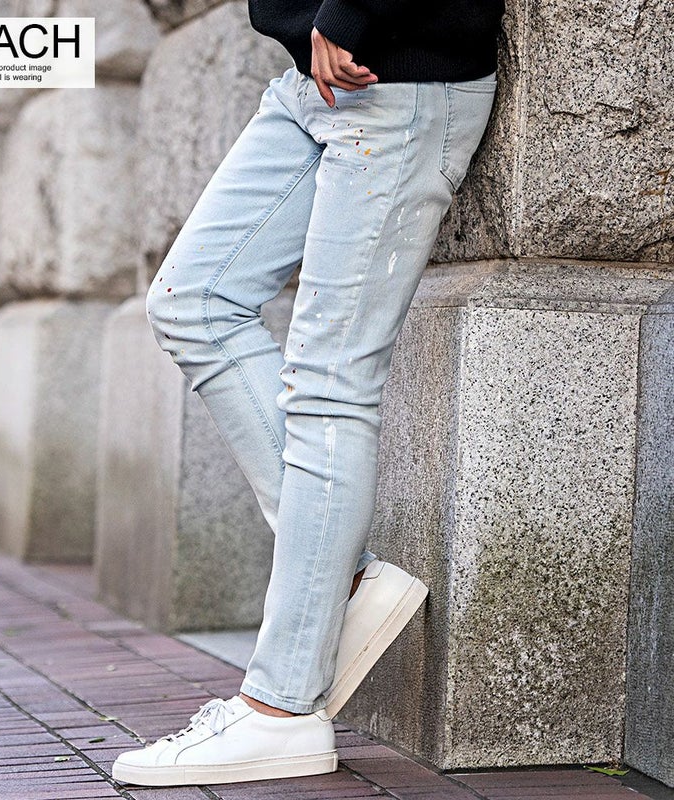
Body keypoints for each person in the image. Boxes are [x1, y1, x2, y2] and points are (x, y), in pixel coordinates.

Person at [113, 0, 504, 787]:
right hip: (309, 81)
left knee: (331, 383)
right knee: (192, 302)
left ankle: (282, 710)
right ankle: (342, 576)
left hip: (396, 77)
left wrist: (350, 11)